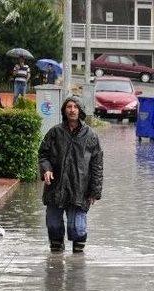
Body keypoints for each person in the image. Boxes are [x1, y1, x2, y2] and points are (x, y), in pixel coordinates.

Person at [38, 96, 103, 253]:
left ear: (80, 110)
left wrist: (95, 191)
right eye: (69, 106)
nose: (72, 109)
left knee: (77, 228)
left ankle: (77, 266)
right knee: (53, 225)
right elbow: (43, 154)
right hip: (56, 186)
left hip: (79, 189)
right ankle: (56, 262)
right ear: (64, 110)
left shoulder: (91, 136)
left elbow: (97, 165)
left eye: (75, 107)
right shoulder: (55, 132)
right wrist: (46, 169)